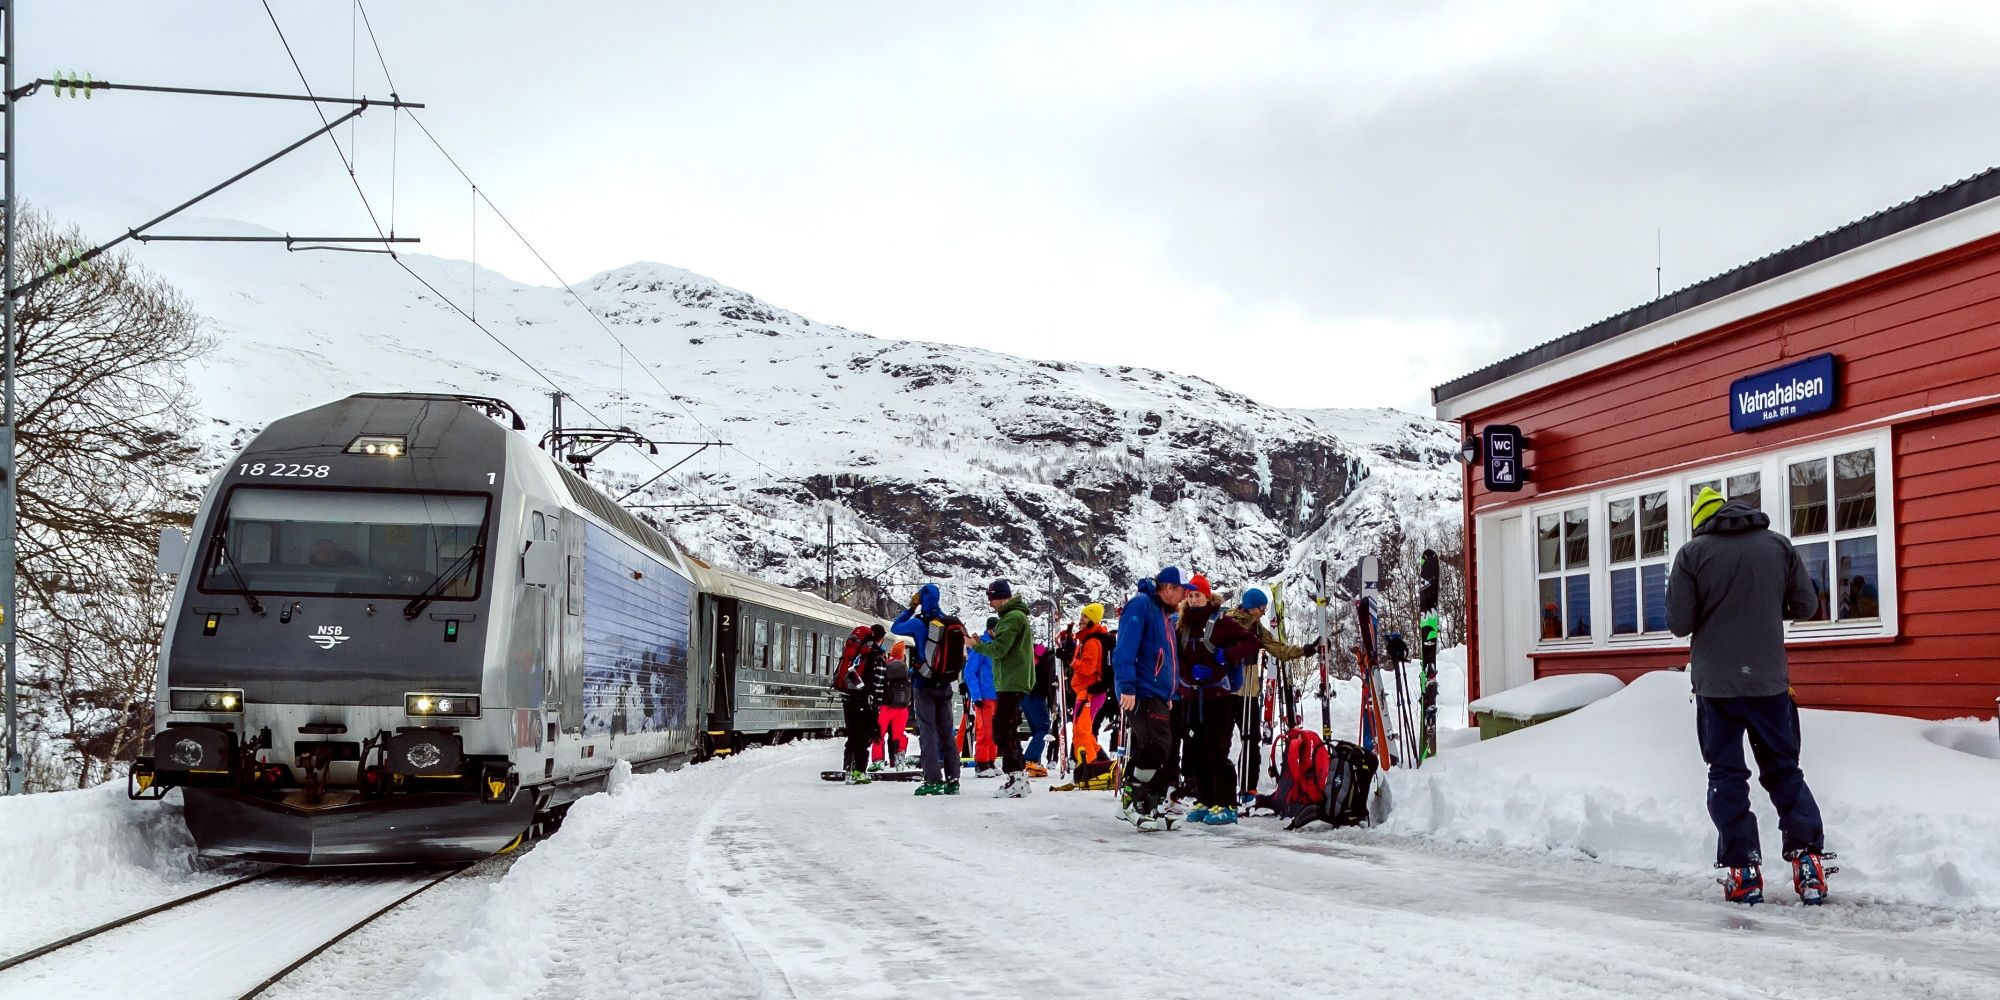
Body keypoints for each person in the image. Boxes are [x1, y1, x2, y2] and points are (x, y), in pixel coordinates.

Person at [1668, 486, 1832, 905]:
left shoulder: (1692, 554)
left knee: (1726, 775)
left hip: (1716, 689)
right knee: (1784, 770)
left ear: (1701, 522)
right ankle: (1808, 862)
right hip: (1768, 684)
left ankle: (1743, 871)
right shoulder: (1778, 546)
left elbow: (1678, 623)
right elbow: (1806, 605)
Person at [1112, 566, 1186, 829]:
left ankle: (1150, 805)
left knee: (1157, 747)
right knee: (1157, 745)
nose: (1183, 597)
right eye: (1181, 591)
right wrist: (1127, 686)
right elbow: (1125, 648)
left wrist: (1169, 691)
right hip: (1141, 689)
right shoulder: (1141, 605)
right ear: (1168, 588)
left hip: (1157, 692)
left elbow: (1169, 658)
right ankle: (1133, 799)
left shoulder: (1164, 614)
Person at [971, 579, 1036, 798]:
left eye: (992, 599)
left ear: (1000, 597)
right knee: (1009, 727)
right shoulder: (1015, 617)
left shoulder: (1011, 618)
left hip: (1010, 681)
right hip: (1012, 680)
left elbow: (999, 650)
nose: (990, 604)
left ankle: (1015, 777)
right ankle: (1019, 777)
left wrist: (976, 646)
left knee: (1002, 729)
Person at [893, 583, 960, 796]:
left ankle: (932, 779)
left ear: (921, 599)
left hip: (924, 684)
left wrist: (912, 608)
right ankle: (953, 780)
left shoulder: (919, 624)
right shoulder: (949, 622)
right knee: (947, 733)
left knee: (928, 732)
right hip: (945, 684)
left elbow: (896, 628)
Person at [836, 626, 887, 784]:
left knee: (852, 734)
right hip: (865, 700)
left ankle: (848, 769)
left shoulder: (857, 654)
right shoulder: (877, 657)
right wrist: (876, 704)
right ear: (881, 638)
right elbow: (878, 685)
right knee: (863, 736)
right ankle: (859, 772)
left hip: (848, 697)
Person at [1068, 603, 1112, 769]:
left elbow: (1088, 669)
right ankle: (1101, 764)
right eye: (1082, 615)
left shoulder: (1092, 642)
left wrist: (1071, 661)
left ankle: (1090, 766)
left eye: (1085, 616)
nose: (1081, 619)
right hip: (1087, 692)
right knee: (1084, 731)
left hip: (1090, 692)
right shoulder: (1087, 639)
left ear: (1093, 619)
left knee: (1082, 732)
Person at [962, 617, 1000, 777]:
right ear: (990, 629)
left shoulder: (995, 646)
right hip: (984, 696)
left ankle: (990, 760)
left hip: (996, 694)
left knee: (994, 730)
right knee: (984, 730)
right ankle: (982, 764)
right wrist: (976, 694)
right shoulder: (980, 647)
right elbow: (970, 672)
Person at [872, 642, 914, 771]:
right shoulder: (906, 669)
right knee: (898, 735)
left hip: (886, 707)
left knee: (879, 734)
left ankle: (878, 761)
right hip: (902, 708)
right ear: (902, 656)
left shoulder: (886, 665)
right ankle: (899, 759)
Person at [1023, 643, 1056, 777]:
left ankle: (1034, 761)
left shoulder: (1037, 655)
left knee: (1037, 730)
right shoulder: (1053, 660)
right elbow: (1052, 683)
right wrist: (1053, 702)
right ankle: (1029, 759)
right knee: (1043, 728)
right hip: (1035, 696)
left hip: (1024, 695)